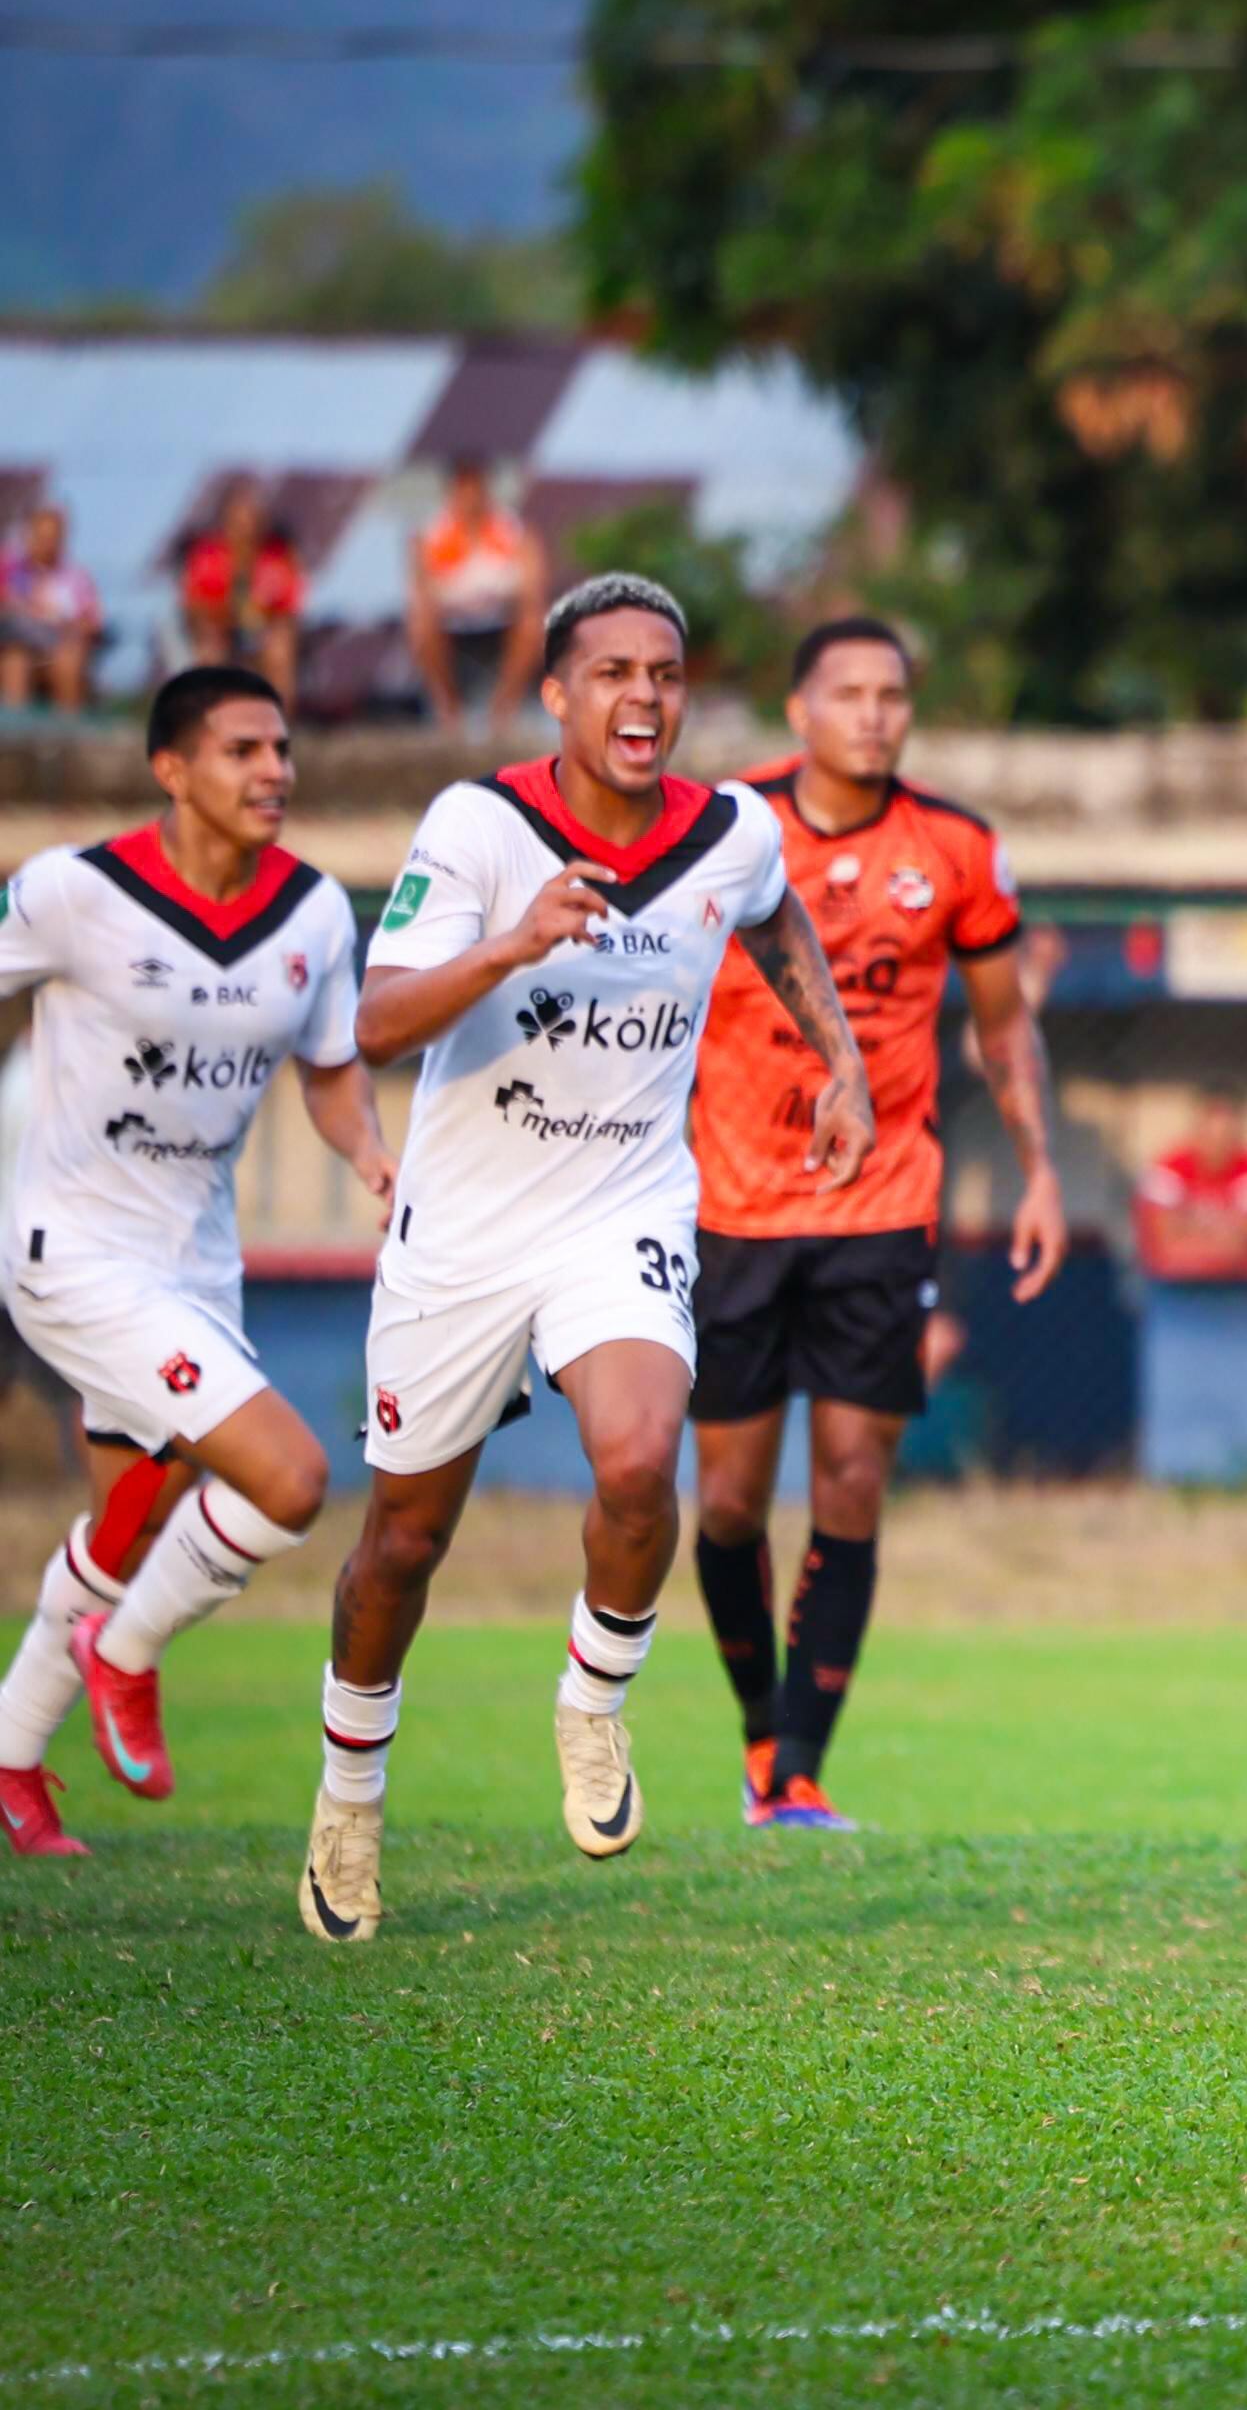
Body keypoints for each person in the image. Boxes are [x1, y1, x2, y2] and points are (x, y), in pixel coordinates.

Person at [298, 574, 875, 1943]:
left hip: (620, 1214)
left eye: (665, 675)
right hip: (464, 1233)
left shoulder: (731, 830)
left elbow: (777, 913)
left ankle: (594, 1699)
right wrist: (512, 944)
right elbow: (376, 1023)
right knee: (402, 1543)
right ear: (556, 694)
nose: (643, 699)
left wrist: (837, 1065)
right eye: (611, 673)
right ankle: (347, 1796)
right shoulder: (480, 824)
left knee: (636, 1464)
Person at [0, 668, 394, 1855]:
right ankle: (122, 1657)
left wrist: (374, 1155)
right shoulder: (76, 893)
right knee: (287, 1478)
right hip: (68, 1249)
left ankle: (12, 1764)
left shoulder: (315, 914)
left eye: (280, 748)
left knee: (128, 1516)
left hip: (195, 1267)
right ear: (170, 769)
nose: (271, 770)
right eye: (239, 751)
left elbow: (329, 1065)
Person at [684, 616, 1061, 1833]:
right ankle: (756, 1729)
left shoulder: (953, 845)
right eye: (847, 692)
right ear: (798, 713)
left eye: (892, 693)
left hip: (885, 1205)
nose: (874, 713)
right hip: (732, 1205)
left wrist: (1040, 1171)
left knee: (852, 1479)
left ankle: (797, 1769)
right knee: (730, 1502)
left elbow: (1003, 1030)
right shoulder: (727, 829)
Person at [406, 458, 547, 742]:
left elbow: (533, 584)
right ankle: (448, 711)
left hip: (500, 619)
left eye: (476, 489)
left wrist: (498, 592)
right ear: (452, 493)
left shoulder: (512, 531)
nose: (470, 498)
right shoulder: (432, 535)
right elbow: (423, 590)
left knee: (534, 623)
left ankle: (503, 710)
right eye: (463, 489)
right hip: (452, 622)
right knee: (420, 624)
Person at [1131, 1094, 1247, 1277]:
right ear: (1197, 1133)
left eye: (1226, 1137)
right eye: (1210, 1136)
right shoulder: (1168, 1168)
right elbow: (1166, 1243)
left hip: (1233, 1282)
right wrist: (1221, 1236)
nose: (1217, 1146)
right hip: (1166, 1282)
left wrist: (1190, 1231)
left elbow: (1243, 1244)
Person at [181, 483, 302, 701]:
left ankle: (278, 719)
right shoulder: (208, 555)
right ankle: (212, 717)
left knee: (280, 646)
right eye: (239, 519)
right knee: (210, 651)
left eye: (251, 518)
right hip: (220, 627)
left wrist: (263, 618)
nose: (245, 526)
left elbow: (290, 604)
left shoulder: (276, 555)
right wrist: (225, 615)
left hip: (265, 627)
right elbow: (194, 603)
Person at [0, 505, 106, 713]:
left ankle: (68, 736)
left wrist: (66, 626)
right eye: (41, 537)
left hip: (62, 649)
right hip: (20, 648)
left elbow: (94, 625)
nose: (47, 544)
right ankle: (15, 739)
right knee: (15, 662)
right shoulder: (10, 573)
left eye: (53, 538)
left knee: (68, 661)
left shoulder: (77, 578)